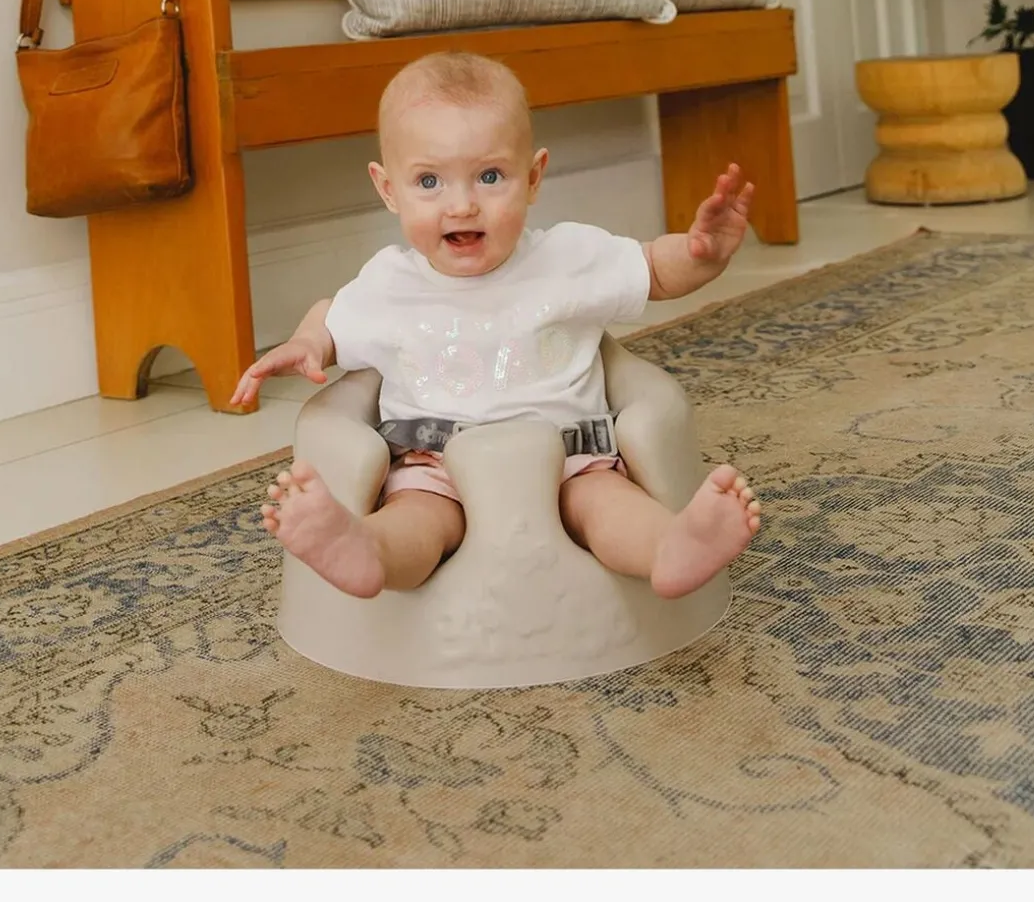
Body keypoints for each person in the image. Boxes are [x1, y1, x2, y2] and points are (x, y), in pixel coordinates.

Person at [232, 51, 761, 601]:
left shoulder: (567, 257)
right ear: (388, 189)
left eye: (489, 177)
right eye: (429, 181)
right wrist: (306, 342)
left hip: (570, 458)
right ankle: (365, 550)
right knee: (417, 520)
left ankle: (669, 548)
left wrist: (701, 254)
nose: (462, 205)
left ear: (532, 178)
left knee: (608, 505)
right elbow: (332, 317)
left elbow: (653, 269)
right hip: (434, 463)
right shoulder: (390, 282)